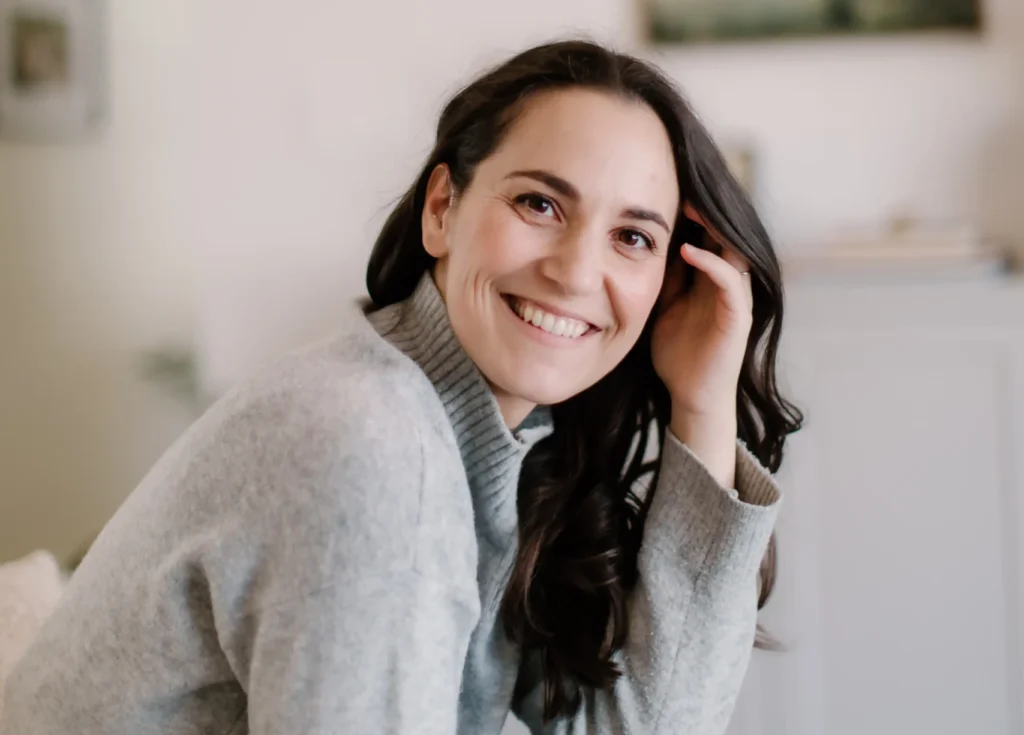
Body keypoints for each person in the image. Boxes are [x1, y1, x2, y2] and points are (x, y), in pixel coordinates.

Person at [0, 39, 801, 735]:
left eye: (632, 236)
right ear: (442, 209)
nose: (577, 271)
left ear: (667, 281)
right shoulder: (371, 443)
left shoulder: (500, 451)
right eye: (539, 203)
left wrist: (702, 405)